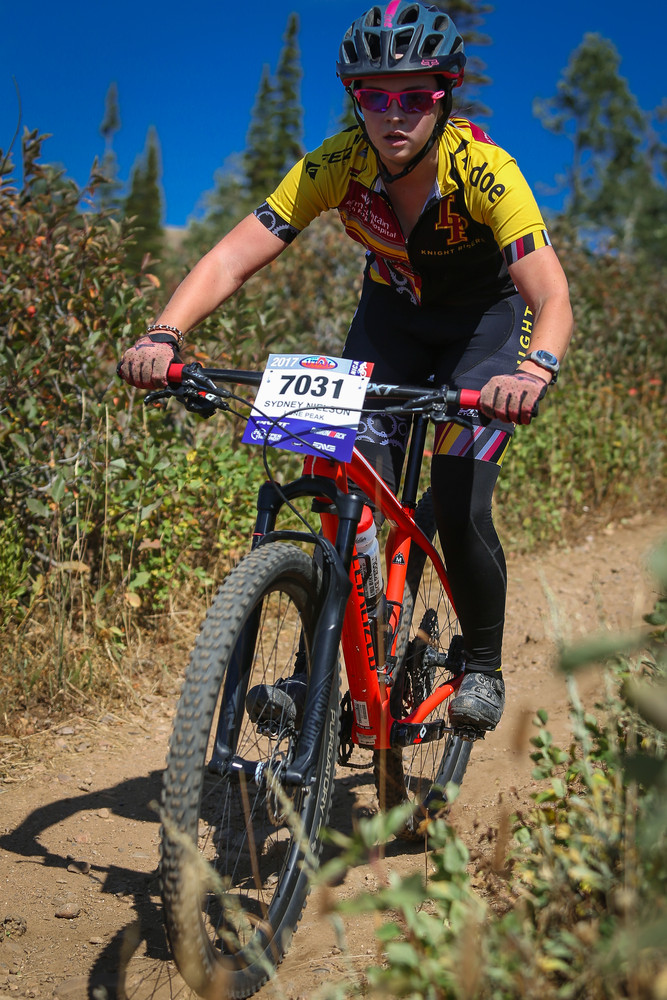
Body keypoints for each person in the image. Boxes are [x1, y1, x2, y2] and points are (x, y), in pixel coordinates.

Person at [118, 1, 573, 732]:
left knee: (459, 498)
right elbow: (233, 257)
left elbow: (550, 294)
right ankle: (318, 675)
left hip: (482, 331)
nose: (394, 114)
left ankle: (483, 666)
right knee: (341, 488)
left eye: (414, 96)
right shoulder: (335, 164)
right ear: (354, 99)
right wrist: (163, 334)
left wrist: (532, 372)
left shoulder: (485, 170)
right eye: (373, 97)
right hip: (390, 321)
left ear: (444, 96)